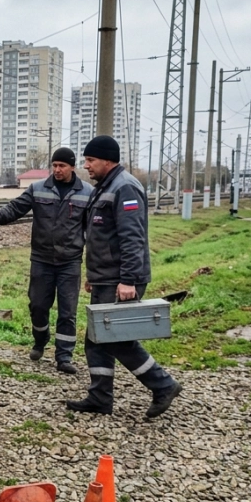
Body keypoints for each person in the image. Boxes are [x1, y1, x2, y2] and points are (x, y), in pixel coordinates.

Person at [69, 135, 183, 419]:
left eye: (91, 160)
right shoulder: (106, 187)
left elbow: (132, 239)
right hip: (105, 277)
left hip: (121, 278)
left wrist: (129, 280)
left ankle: (163, 384)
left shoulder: (125, 188)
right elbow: (100, 236)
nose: (86, 166)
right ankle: (99, 398)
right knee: (96, 338)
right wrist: (93, 275)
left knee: (116, 338)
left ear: (108, 160)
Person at [0, 147, 91, 373]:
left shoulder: (87, 192)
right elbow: (16, 207)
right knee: (38, 305)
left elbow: (92, 229)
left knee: (68, 311)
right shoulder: (38, 188)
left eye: (62, 166)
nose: (57, 170)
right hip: (42, 259)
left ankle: (64, 356)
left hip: (70, 261)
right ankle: (40, 340)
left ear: (72, 167)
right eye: (55, 165)